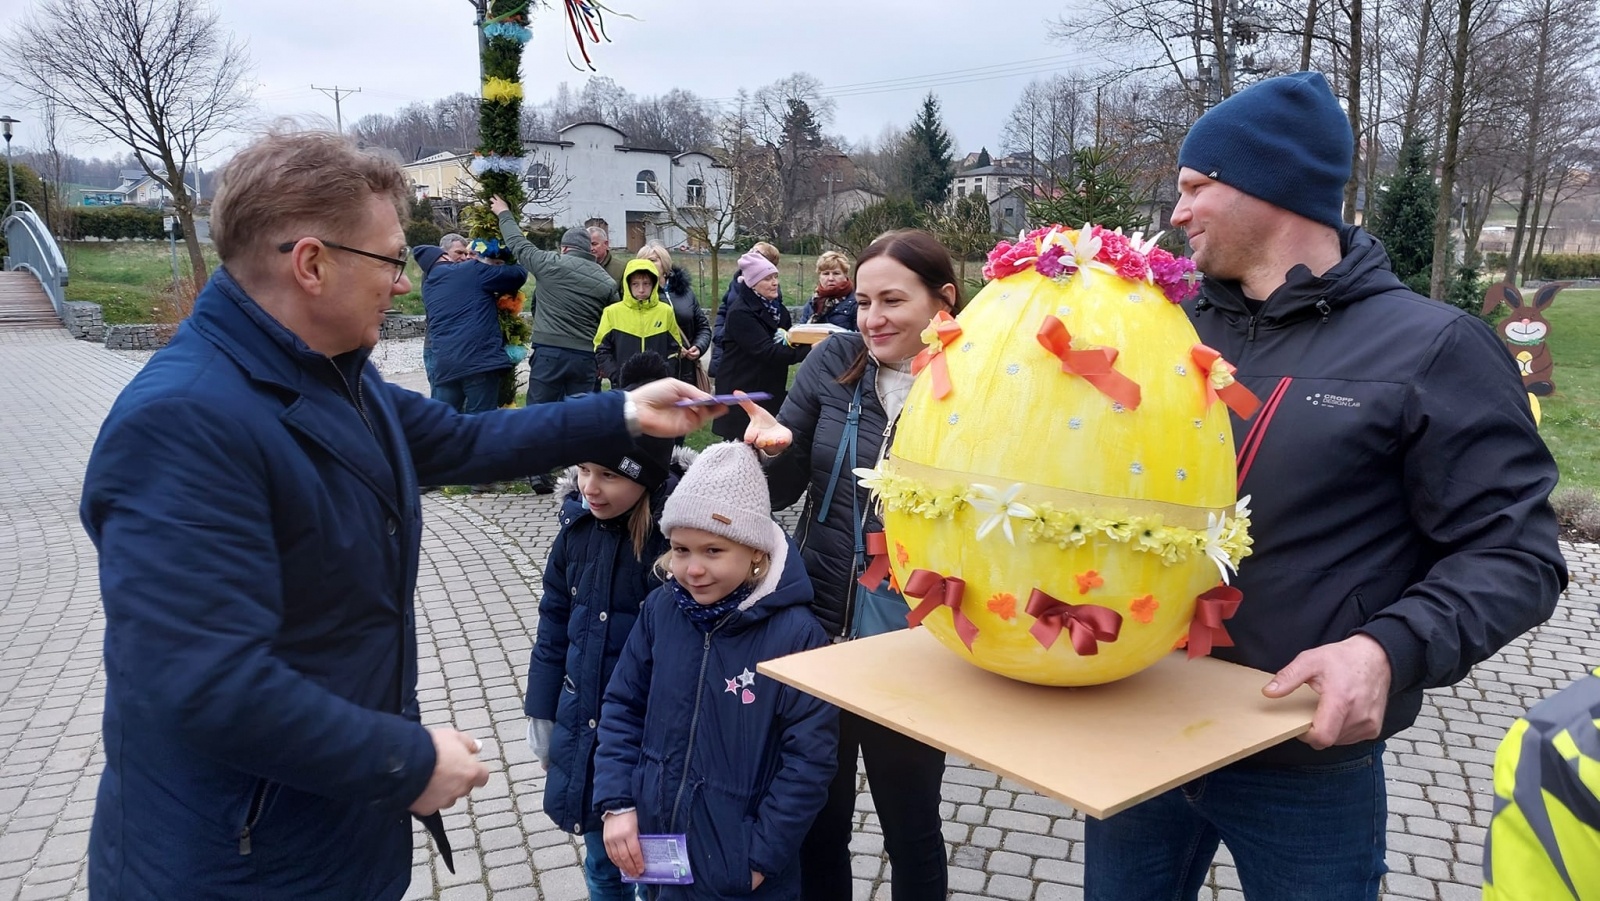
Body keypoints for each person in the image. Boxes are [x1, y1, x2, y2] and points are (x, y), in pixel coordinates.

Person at [78, 131, 722, 901]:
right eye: (390, 261)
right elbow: (205, 683)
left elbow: (462, 439)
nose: (407, 285)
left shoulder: (328, 375)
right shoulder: (184, 422)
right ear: (311, 264)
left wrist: (622, 412)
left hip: (330, 832)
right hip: (235, 861)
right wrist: (406, 761)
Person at [1081, 71, 1567, 901]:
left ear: (1269, 186)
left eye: (1197, 186)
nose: (1177, 210)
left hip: (1304, 757)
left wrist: (1385, 648)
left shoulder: (1432, 345)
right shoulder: (1167, 327)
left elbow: (1516, 552)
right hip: (1142, 722)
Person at [741, 230, 961, 901]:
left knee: (911, 827)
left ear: (942, 301)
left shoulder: (977, 387)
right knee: (816, 821)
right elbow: (780, 490)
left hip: (912, 645)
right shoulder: (836, 360)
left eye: (893, 299)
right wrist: (766, 450)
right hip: (819, 634)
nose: (873, 318)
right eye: (864, 300)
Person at [592, 441, 838, 899]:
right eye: (681, 549)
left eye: (713, 550)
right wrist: (618, 803)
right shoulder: (661, 609)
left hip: (742, 867)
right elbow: (623, 705)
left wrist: (759, 857)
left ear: (755, 554)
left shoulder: (796, 636)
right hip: (658, 848)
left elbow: (809, 760)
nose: (694, 568)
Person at [526, 352, 693, 901]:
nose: (589, 487)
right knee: (601, 864)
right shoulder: (574, 535)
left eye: (606, 475)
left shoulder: (675, 546)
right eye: (582, 471)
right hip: (587, 726)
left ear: (643, 477)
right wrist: (543, 709)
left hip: (652, 737)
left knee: (657, 870)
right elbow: (554, 628)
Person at [492, 197, 616, 404]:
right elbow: (613, 324)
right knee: (580, 416)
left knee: (540, 414)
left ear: (565, 248)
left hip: (549, 353)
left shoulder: (548, 263)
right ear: (589, 250)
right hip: (585, 357)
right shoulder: (607, 281)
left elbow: (517, 243)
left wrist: (504, 213)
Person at [411, 240, 528, 413]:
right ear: (444, 256)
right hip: (479, 362)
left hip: (445, 366)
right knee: (481, 423)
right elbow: (517, 275)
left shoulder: (429, 286)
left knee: (444, 422)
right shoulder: (470, 270)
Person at [711, 249, 809, 442]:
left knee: (767, 446)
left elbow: (787, 341)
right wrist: (807, 350)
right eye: (767, 278)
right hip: (741, 391)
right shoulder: (740, 312)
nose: (774, 283)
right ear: (753, 284)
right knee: (740, 448)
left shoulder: (778, 310)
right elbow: (766, 351)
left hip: (767, 389)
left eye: (775, 276)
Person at [594, 258, 684, 385]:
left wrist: (666, 374)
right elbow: (601, 349)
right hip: (623, 387)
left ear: (654, 284)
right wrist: (616, 376)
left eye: (646, 283)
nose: (641, 289)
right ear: (627, 284)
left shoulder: (665, 311)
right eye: (635, 284)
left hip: (658, 387)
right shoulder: (612, 312)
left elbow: (674, 350)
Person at [636, 242, 711, 388]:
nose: (647, 264)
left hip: (686, 371)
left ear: (664, 263)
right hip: (656, 373)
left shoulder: (685, 292)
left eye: (652, 260)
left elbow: (703, 326)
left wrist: (699, 346)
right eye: (643, 261)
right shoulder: (638, 296)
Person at [710, 241, 781, 381]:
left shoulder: (769, 294)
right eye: (751, 249)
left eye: (756, 253)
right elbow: (724, 308)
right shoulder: (736, 282)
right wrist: (719, 332)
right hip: (725, 342)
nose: (749, 254)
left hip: (744, 356)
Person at [419, 232, 476, 388]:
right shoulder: (434, 274)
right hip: (437, 346)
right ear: (443, 253)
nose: (464, 258)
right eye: (459, 253)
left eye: (466, 254)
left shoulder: (456, 274)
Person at [795, 250, 858, 330]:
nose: (830, 278)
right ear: (819, 276)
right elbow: (801, 329)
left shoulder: (856, 301)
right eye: (826, 274)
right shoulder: (813, 301)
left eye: (836, 273)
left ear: (845, 275)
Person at [590, 224, 628, 299]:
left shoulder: (622, 269)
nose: (591, 248)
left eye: (594, 244)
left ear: (606, 244)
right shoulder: (579, 267)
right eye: (587, 244)